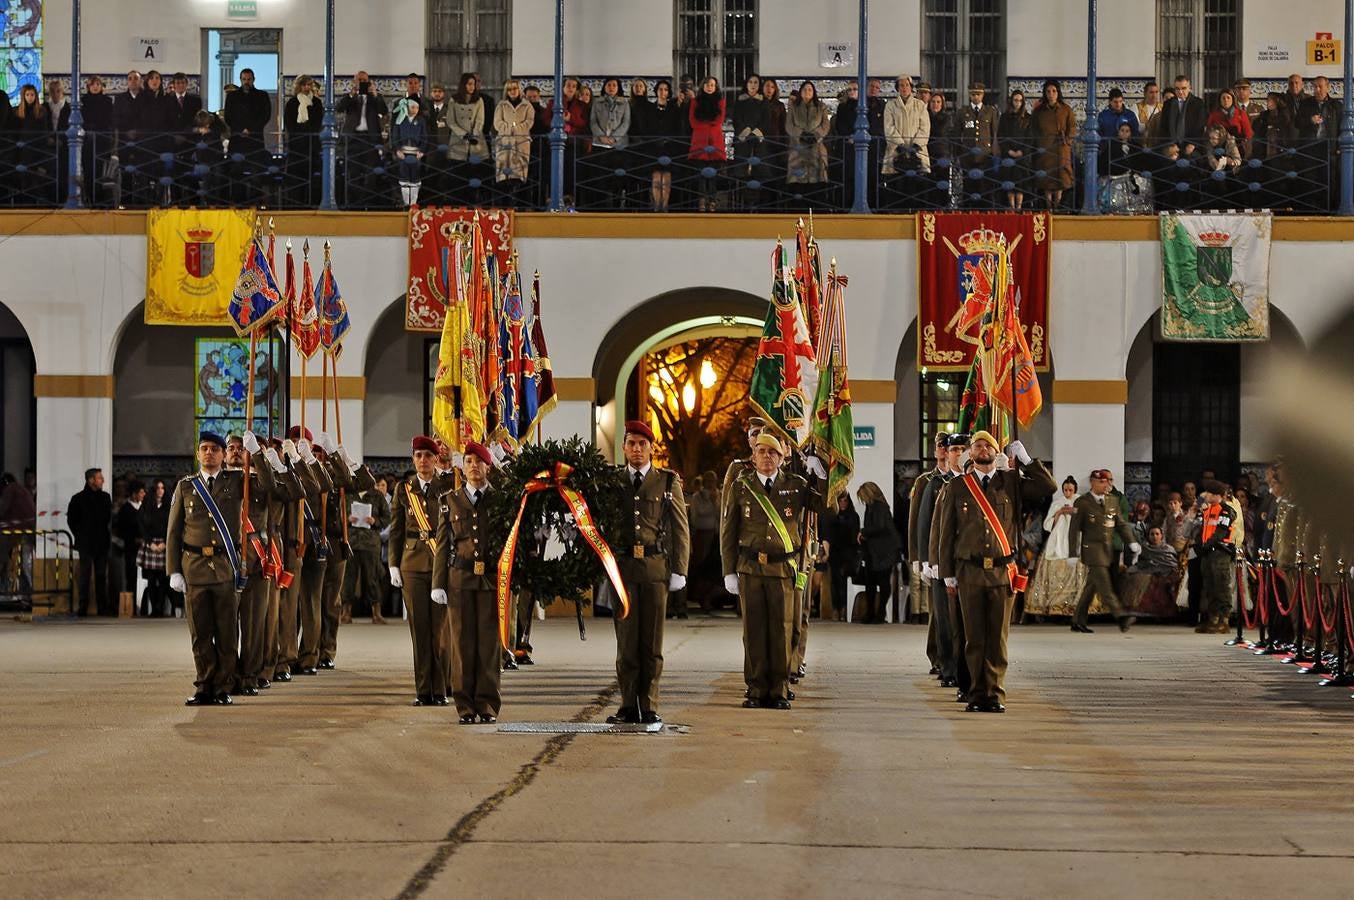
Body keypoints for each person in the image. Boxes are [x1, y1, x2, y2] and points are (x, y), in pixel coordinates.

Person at [936, 433, 1055, 713]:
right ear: (970, 454)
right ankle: (977, 695)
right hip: (969, 572)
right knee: (975, 639)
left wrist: (1026, 460)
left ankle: (996, 694)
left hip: (1003, 572)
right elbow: (946, 532)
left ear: (996, 451)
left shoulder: (1011, 482)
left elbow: (1047, 487)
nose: (983, 448)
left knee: (998, 639)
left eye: (988, 444)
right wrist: (947, 573)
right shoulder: (957, 487)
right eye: (977, 445)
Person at [166, 432, 268, 705]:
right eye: (204, 449)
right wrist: (173, 569)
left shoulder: (239, 481)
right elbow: (174, 532)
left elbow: (272, 487)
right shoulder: (185, 486)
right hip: (195, 569)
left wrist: (255, 453)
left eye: (214, 449)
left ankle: (222, 687)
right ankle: (203, 685)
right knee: (200, 634)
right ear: (198, 454)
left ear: (223, 455)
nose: (209, 453)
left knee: (226, 633)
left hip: (225, 568)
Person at [721, 433, 822, 710]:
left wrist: (820, 474)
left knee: (782, 630)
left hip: (781, 569)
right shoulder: (741, 487)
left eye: (773, 453)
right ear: (753, 456)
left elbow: (825, 506)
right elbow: (729, 532)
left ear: (782, 457)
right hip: (751, 568)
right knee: (753, 632)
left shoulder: (797, 485)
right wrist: (729, 570)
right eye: (762, 452)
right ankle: (755, 688)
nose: (767, 457)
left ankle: (779, 689)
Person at [601, 421, 690, 726]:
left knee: (651, 644)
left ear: (652, 448)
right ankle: (627, 705)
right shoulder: (612, 482)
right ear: (623, 447)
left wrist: (679, 569)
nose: (637, 449)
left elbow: (680, 529)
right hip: (622, 571)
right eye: (631, 443)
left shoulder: (666, 482)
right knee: (626, 643)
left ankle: (648, 704)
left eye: (642, 444)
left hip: (654, 570)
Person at [430, 442, 503, 724]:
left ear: (489, 466)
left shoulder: (500, 499)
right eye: (469, 461)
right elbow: (442, 544)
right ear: (463, 465)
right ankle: (465, 705)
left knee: (488, 645)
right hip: (459, 580)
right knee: (461, 645)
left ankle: (487, 704)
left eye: (480, 461)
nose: (474, 466)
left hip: (490, 582)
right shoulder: (450, 501)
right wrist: (438, 583)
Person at [224, 433, 298, 696]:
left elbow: (282, 489)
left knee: (255, 622)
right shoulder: (218, 482)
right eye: (230, 448)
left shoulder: (260, 482)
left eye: (240, 449)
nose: (235, 452)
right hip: (228, 558)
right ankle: (228, 674)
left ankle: (249, 675)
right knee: (226, 623)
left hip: (257, 558)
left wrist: (258, 456)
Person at [389, 436, 453, 706]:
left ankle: (441, 690)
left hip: (441, 564)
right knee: (419, 630)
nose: (423, 460)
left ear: (436, 459)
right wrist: (393, 563)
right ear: (413, 459)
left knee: (441, 631)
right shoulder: (404, 489)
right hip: (412, 564)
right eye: (418, 455)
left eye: (428, 455)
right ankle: (423, 691)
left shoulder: (449, 485)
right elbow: (396, 529)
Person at [276, 428, 332, 679]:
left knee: (311, 601)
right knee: (289, 603)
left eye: (304, 444)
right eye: (295, 443)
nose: (299, 447)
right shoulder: (282, 469)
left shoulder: (316, 468)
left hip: (315, 538)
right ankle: (287, 656)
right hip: (292, 541)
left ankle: (309, 655)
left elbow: (325, 484)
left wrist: (306, 459)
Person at [1067, 468, 1142, 634]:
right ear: (1092, 482)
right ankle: (1121, 616)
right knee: (1104, 584)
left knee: (1091, 586)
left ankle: (1077, 620)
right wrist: (1072, 553)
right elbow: (1074, 529)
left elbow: (1121, 524)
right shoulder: (1083, 502)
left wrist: (1131, 542)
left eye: (1109, 481)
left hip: (1106, 549)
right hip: (1092, 549)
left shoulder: (1112, 501)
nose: (1106, 484)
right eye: (1102, 481)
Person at [1023, 476, 1087, 620]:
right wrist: (1059, 513)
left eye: (1070, 490)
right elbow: (1047, 525)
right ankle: (1054, 608)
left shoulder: (1081, 502)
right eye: (1065, 490)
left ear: (1075, 490)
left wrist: (1074, 512)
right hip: (1057, 541)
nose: (1068, 492)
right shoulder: (1057, 503)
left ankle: (1075, 608)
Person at [908, 433, 948, 664]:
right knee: (936, 610)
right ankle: (936, 656)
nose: (943, 450)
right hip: (931, 553)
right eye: (939, 446)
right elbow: (917, 521)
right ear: (934, 451)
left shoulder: (962, 478)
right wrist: (917, 557)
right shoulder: (925, 481)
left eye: (947, 446)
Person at [335, 70, 389, 208]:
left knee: (370, 174)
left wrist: (375, 94)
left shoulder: (375, 97)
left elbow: (383, 111)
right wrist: (352, 93)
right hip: (352, 140)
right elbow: (339, 108)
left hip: (370, 140)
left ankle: (367, 204)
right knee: (352, 174)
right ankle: (353, 205)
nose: (362, 83)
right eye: (360, 80)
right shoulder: (350, 97)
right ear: (354, 81)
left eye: (365, 80)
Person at [344, 466, 390, 624]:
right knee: (348, 578)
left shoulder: (377, 496)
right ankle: (346, 612)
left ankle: (376, 613)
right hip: (352, 541)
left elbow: (387, 517)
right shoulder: (348, 494)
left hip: (371, 543)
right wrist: (347, 519)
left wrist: (375, 521)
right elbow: (338, 515)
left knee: (373, 578)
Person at [67, 467, 112, 616]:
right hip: (85, 543)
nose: (103, 480)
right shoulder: (78, 499)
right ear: (91, 480)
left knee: (101, 576)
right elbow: (71, 520)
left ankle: (102, 608)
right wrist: (80, 535)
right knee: (84, 576)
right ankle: (82, 607)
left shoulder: (105, 497)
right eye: (100, 478)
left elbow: (107, 518)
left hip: (101, 542)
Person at [1195, 480, 1236, 634]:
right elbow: (1202, 527)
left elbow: (1220, 532)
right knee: (1209, 586)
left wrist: (1207, 544)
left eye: (1210, 493)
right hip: (1207, 553)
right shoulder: (1207, 510)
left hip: (1220, 552)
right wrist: (1200, 545)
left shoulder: (1226, 511)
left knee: (1222, 586)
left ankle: (1224, 620)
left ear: (1218, 495)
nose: (1207, 495)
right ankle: (1212, 620)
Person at [856, 482, 900, 624]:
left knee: (880, 583)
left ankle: (878, 613)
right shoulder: (876, 506)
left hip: (882, 552)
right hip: (876, 551)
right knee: (874, 583)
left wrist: (863, 532)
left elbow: (879, 526)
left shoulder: (879, 507)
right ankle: (874, 613)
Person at [1032, 79, 1076, 208]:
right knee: (1046, 180)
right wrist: (1038, 143)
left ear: (1058, 92)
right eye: (1048, 91)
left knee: (1060, 178)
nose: (1051, 94)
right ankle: (1048, 207)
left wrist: (1067, 140)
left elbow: (1072, 127)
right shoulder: (1039, 111)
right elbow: (1033, 129)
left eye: (1054, 91)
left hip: (1061, 148)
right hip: (1044, 149)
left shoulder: (1066, 109)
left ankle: (1058, 207)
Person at [447, 73, 487, 204]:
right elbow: (450, 121)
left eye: (473, 84)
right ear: (463, 84)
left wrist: (473, 135)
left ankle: (473, 205)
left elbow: (480, 120)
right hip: (458, 141)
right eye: (469, 84)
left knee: (474, 176)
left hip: (475, 142)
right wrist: (464, 134)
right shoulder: (453, 99)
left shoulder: (479, 100)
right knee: (457, 177)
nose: (472, 87)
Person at [882, 75, 931, 183]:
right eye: (901, 85)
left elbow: (925, 128)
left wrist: (916, 146)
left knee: (917, 187)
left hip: (917, 153)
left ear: (911, 87)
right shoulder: (890, 105)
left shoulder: (920, 105)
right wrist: (900, 145)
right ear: (897, 88)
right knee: (896, 186)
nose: (904, 88)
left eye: (907, 85)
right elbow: (889, 127)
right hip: (896, 153)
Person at [283, 75, 323, 206]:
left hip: (312, 146)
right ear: (299, 86)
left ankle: (311, 204)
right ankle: (296, 205)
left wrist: (307, 130)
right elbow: (289, 124)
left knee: (312, 177)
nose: (307, 87)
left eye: (309, 85)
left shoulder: (316, 103)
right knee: (296, 178)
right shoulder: (292, 103)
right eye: (304, 85)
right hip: (296, 147)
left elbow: (318, 123)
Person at [688, 76, 726, 211]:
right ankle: (701, 202)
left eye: (712, 85)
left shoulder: (720, 101)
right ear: (702, 86)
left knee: (713, 174)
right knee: (701, 174)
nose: (709, 87)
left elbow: (719, 120)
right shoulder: (695, 102)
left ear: (715, 88)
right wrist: (707, 126)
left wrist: (704, 125)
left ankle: (712, 202)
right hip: (699, 141)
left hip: (715, 141)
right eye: (707, 84)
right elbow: (693, 122)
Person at [493, 79, 533, 206]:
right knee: (503, 176)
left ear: (519, 89)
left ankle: (517, 205)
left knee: (518, 175)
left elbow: (529, 122)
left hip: (521, 143)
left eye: (514, 88)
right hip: (504, 142)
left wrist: (515, 129)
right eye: (509, 89)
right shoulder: (501, 105)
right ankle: (503, 206)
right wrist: (509, 128)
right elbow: (497, 123)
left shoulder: (527, 106)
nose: (512, 92)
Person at [731, 73, 769, 207]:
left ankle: (758, 205)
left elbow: (766, 121)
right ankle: (742, 205)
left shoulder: (764, 101)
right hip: (743, 142)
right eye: (751, 82)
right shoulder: (739, 101)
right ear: (746, 84)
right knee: (742, 174)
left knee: (759, 173)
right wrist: (746, 131)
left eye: (756, 83)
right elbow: (736, 119)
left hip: (759, 142)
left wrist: (756, 132)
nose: (753, 85)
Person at [785, 80, 829, 190]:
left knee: (816, 181)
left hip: (816, 147)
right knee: (798, 182)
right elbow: (789, 125)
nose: (807, 91)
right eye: (804, 89)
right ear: (800, 92)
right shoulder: (793, 106)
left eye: (810, 89)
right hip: (798, 147)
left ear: (814, 92)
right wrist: (801, 134)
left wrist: (815, 135)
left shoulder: (821, 106)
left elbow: (825, 125)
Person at [113, 479, 146, 609]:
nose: (143, 494)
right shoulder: (125, 509)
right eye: (141, 492)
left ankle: (144, 607)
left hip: (146, 548)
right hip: (131, 548)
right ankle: (131, 607)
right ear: (134, 494)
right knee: (131, 575)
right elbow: (121, 529)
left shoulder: (145, 507)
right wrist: (133, 539)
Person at [996, 90, 1033, 209]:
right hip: (1008, 154)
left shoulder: (1028, 118)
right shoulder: (1005, 117)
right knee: (1009, 183)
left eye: (1020, 101)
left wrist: (1022, 151)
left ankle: (1019, 207)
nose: (1018, 103)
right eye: (1015, 100)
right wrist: (1009, 151)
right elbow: (1001, 136)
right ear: (1011, 101)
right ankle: (1011, 207)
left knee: (1020, 184)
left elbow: (1030, 137)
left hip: (1023, 156)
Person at [826, 492, 860, 623]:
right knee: (835, 583)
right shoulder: (833, 516)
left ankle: (844, 610)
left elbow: (854, 537)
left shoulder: (853, 516)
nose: (843, 504)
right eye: (841, 501)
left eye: (845, 501)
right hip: (835, 553)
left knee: (843, 584)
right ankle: (836, 609)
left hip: (848, 554)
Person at [390, 97, 428, 207]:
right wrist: (397, 150)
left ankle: (413, 203)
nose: (415, 109)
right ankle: (406, 202)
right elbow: (395, 137)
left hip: (416, 153)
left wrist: (421, 151)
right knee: (404, 176)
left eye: (417, 107)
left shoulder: (421, 121)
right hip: (403, 153)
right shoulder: (400, 119)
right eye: (412, 107)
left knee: (415, 176)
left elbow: (425, 137)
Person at [1161, 74, 1207, 159]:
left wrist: (1193, 144)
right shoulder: (1168, 104)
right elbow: (1163, 127)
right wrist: (1169, 145)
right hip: (1171, 147)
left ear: (1190, 88)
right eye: (1177, 89)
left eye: (1183, 88)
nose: (1180, 92)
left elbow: (1200, 126)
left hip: (1192, 147)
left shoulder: (1198, 103)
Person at [1206, 87, 1253, 157]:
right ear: (1220, 100)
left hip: (1238, 148)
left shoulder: (1241, 113)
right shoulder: (1214, 115)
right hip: (1219, 149)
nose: (1226, 100)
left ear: (1233, 99)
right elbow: (1208, 132)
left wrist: (1248, 150)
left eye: (1228, 98)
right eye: (1223, 98)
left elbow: (1248, 134)